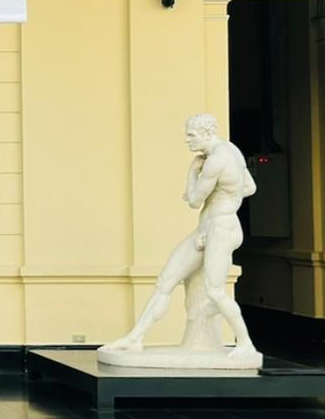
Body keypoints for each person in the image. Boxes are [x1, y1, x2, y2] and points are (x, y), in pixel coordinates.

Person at [103, 113, 259, 360]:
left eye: (191, 135)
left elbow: (194, 200)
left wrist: (192, 173)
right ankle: (134, 338)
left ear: (207, 134)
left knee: (215, 291)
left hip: (221, 229)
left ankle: (246, 343)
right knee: (166, 280)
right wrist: (225, 198)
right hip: (211, 228)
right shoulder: (232, 150)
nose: (187, 141)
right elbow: (250, 187)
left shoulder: (215, 161)